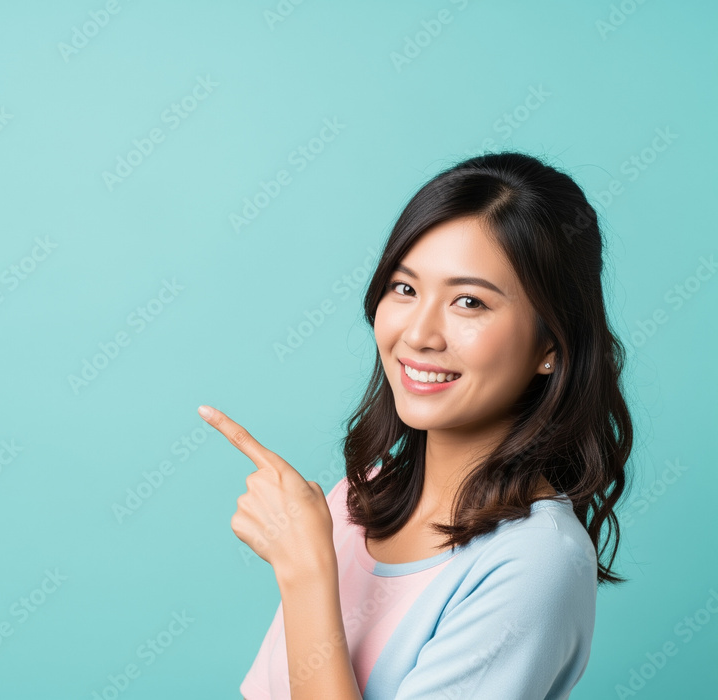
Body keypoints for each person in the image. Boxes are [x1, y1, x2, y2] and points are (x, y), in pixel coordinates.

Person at [198, 151, 633, 699]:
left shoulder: (537, 560)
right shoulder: (358, 497)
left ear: (551, 345)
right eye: (404, 289)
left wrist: (306, 571)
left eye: (469, 301)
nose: (419, 334)